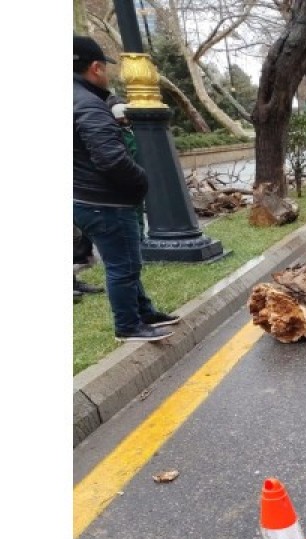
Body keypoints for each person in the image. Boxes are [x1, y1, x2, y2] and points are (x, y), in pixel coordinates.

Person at [72, 34, 178, 342]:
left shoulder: (78, 99)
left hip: (87, 199)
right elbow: (111, 160)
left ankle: (143, 311)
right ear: (95, 68)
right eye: (104, 68)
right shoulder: (88, 106)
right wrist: (141, 180)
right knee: (124, 266)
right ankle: (128, 325)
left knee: (125, 262)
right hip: (105, 202)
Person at [107, 98, 148, 240]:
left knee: (138, 208)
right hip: (129, 176)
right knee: (133, 210)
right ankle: (137, 238)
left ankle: (140, 237)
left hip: (138, 174)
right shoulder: (118, 134)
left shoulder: (132, 131)